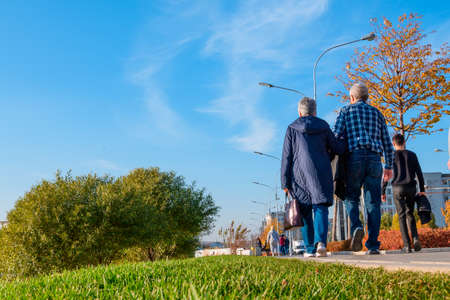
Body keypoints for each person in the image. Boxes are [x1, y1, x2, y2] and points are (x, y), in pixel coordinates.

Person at [334, 82, 394, 255]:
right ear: (367, 97)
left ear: (351, 98)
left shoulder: (346, 111)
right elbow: (387, 143)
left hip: (355, 158)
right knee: (373, 203)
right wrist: (388, 165)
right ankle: (373, 245)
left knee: (350, 197)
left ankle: (356, 227)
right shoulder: (377, 113)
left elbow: (336, 135)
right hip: (375, 160)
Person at [281, 97, 345, 258]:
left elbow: (286, 157)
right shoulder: (323, 126)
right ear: (315, 112)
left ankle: (309, 249)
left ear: (299, 112)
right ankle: (321, 243)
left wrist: (285, 182)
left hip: (299, 176)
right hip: (321, 173)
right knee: (321, 207)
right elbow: (337, 147)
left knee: (305, 211)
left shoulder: (292, 128)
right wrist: (344, 139)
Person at [382, 133, 424, 252]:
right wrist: (422, 190)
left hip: (397, 188)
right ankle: (415, 238)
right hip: (411, 187)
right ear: (404, 142)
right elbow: (419, 173)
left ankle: (407, 245)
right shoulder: (412, 155)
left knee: (401, 216)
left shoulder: (391, 156)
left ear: (393, 144)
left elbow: (386, 175)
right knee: (410, 213)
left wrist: (383, 191)